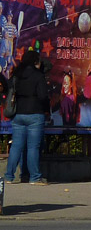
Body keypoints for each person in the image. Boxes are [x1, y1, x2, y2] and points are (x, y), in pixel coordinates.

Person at [4, 49, 51, 185]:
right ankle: (34, 177)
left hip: (18, 114)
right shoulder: (38, 75)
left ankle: (9, 176)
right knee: (33, 147)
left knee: (16, 146)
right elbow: (43, 96)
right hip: (35, 114)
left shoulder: (17, 75)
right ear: (35, 61)